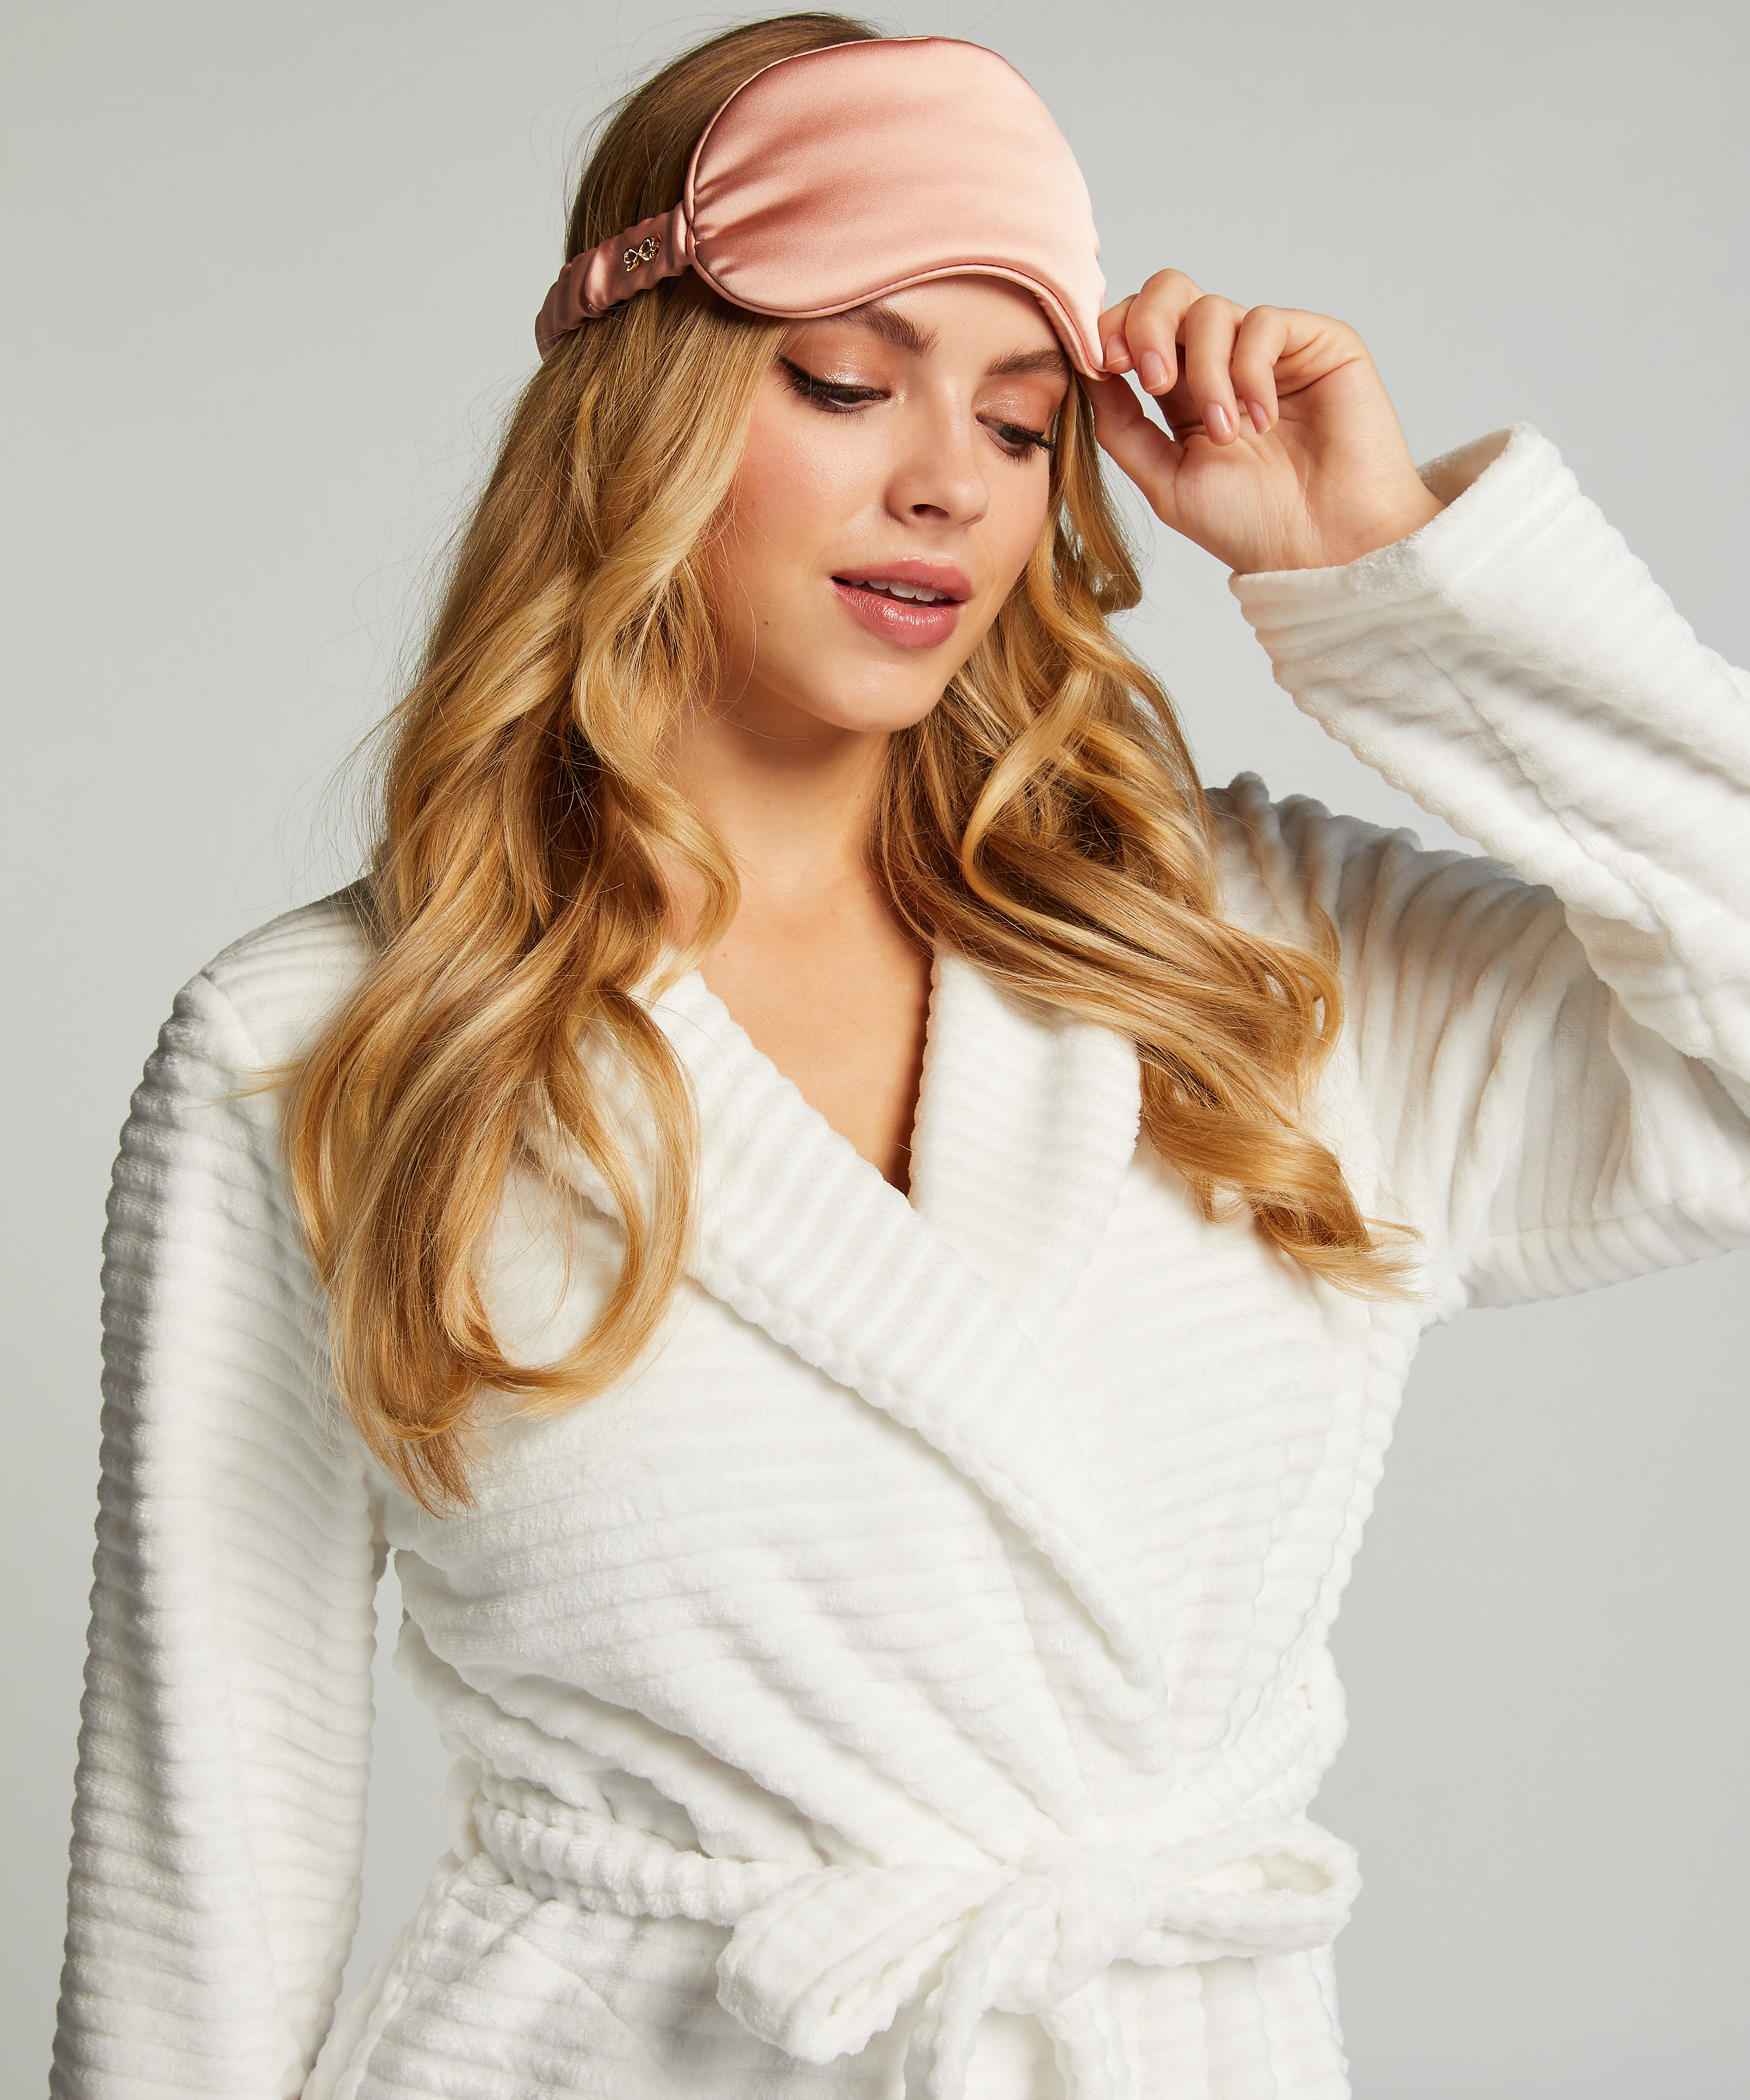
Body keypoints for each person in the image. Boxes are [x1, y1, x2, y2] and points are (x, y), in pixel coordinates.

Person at [50, 15, 1750, 2100]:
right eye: (847, 383)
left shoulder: (1242, 953)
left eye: (1023, 421)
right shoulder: (327, 1044)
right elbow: (201, 1868)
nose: (948, 476)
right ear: (641, 413)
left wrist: (1398, 581)